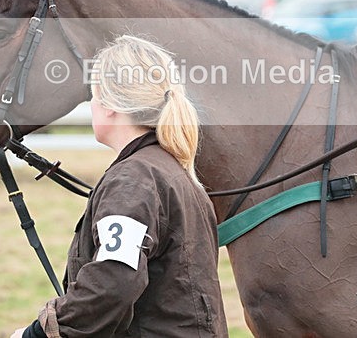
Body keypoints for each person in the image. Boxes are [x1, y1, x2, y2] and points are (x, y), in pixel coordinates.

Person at [12, 35, 227, 337]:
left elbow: (114, 282)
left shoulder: (134, 181)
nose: (91, 102)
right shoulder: (171, 171)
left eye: (94, 93)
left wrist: (39, 333)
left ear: (111, 104)